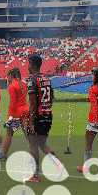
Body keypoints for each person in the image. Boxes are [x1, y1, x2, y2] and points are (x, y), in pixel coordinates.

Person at [26, 52, 64, 182]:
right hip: (48, 115)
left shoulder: (32, 80)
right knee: (41, 143)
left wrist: (31, 123)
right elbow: (51, 98)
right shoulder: (47, 78)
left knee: (32, 144)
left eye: (28, 63)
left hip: (37, 116)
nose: (27, 66)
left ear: (32, 64)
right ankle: (58, 163)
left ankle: (35, 175)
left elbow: (33, 103)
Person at [1, 67, 29, 160]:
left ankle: (3, 155)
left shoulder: (11, 86)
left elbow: (12, 102)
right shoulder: (24, 84)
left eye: (7, 77)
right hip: (25, 110)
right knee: (27, 134)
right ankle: (34, 154)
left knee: (9, 134)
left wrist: (10, 116)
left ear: (10, 76)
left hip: (16, 113)